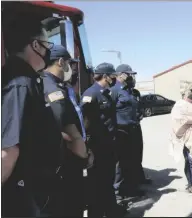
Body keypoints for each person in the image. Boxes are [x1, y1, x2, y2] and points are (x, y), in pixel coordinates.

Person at [1, 18, 65, 217]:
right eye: (47, 45)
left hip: (34, 186)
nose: (48, 52)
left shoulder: (29, 79)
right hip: (22, 191)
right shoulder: (19, 83)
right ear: (35, 45)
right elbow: (8, 150)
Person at [42, 45, 93, 217]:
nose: (72, 68)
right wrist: (84, 154)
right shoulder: (52, 88)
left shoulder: (58, 85)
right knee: (71, 206)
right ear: (61, 62)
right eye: (70, 64)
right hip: (66, 162)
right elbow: (63, 130)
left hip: (66, 159)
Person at [80, 63, 126, 217]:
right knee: (97, 185)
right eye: (112, 76)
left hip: (109, 145)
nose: (114, 79)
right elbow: (85, 124)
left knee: (108, 181)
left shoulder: (106, 93)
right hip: (97, 148)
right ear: (106, 76)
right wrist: (88, 148)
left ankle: (111, 210)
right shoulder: (91, 94)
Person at [110, 64, 147, 199]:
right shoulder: (114, 90)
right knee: (120, 163)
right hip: (121, 131)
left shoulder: (128, 90)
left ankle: (131, 188)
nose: (131, 77)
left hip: (132, 129)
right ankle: (117, 192)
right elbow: (110, 111)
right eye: (129, 74)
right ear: (121, 74)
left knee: (131, 161)